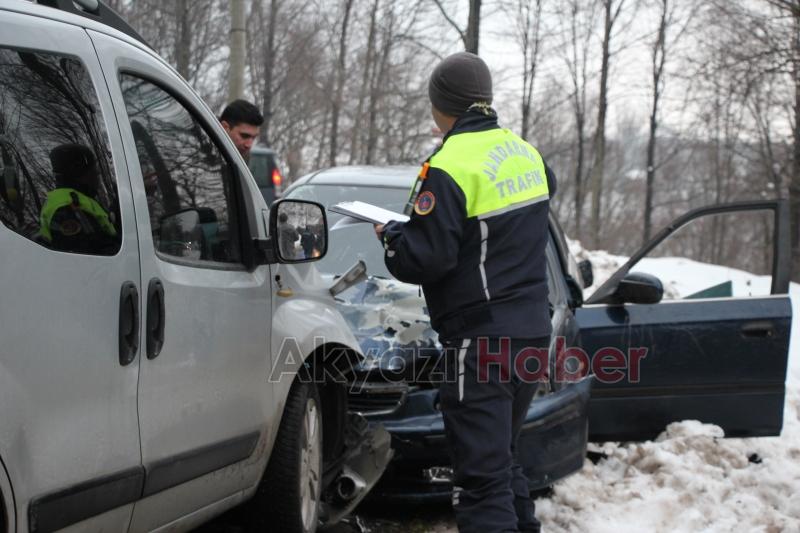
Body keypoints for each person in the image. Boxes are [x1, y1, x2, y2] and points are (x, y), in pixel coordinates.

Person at [375, 52, 557, 533]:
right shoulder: (525, 152)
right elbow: (526, 209)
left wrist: (394, 239)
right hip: (532, 333)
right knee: (501, 462)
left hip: (481, 343)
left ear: (440, 106)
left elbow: (423, 260)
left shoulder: (447, 165)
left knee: (479, 483)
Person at [40, 143, 119, 254]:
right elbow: (97, 254)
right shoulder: (68, 207)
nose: (97, 175)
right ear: (78, 173)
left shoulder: (77, 199)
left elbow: (103, 231)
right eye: (93, 171)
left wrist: (119, 205)